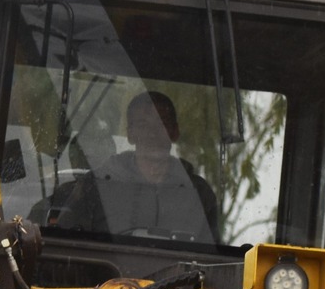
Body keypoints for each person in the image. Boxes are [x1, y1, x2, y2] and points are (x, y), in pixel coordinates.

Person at [47, 91, 219, 241]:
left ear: (175, 131)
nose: (152, 133)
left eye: (162, 124)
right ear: (130, 133)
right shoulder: (95, 185)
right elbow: (68, 249)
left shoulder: (198, 192)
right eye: (143, 125)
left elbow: (214, 260)